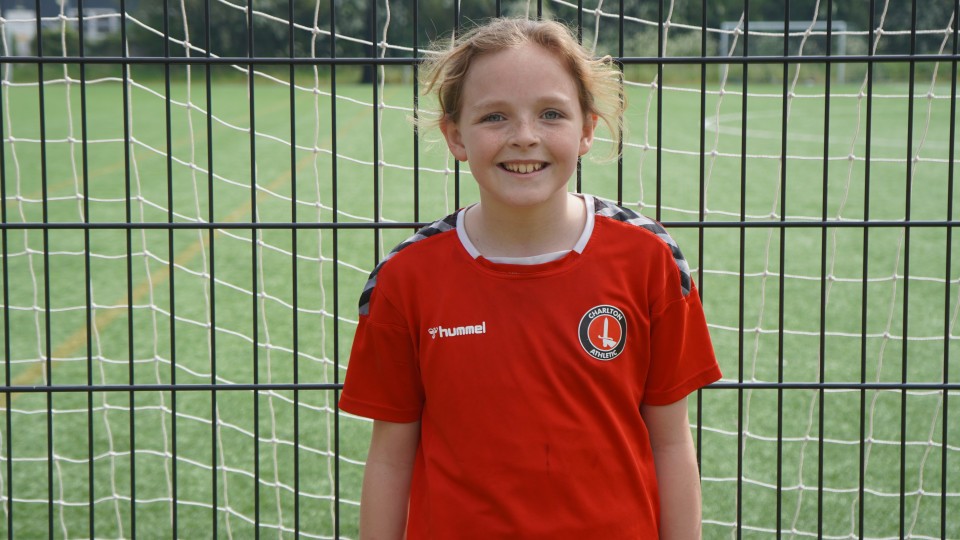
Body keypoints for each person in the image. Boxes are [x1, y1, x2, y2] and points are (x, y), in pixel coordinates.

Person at [339, 16, 721, 539]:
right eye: (495, 116)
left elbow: (672, 442)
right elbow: (390, 458)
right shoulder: (406, 277)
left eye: (551, 114)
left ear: (587, 129)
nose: (524, 137)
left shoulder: (649, 259)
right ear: (455, 136)